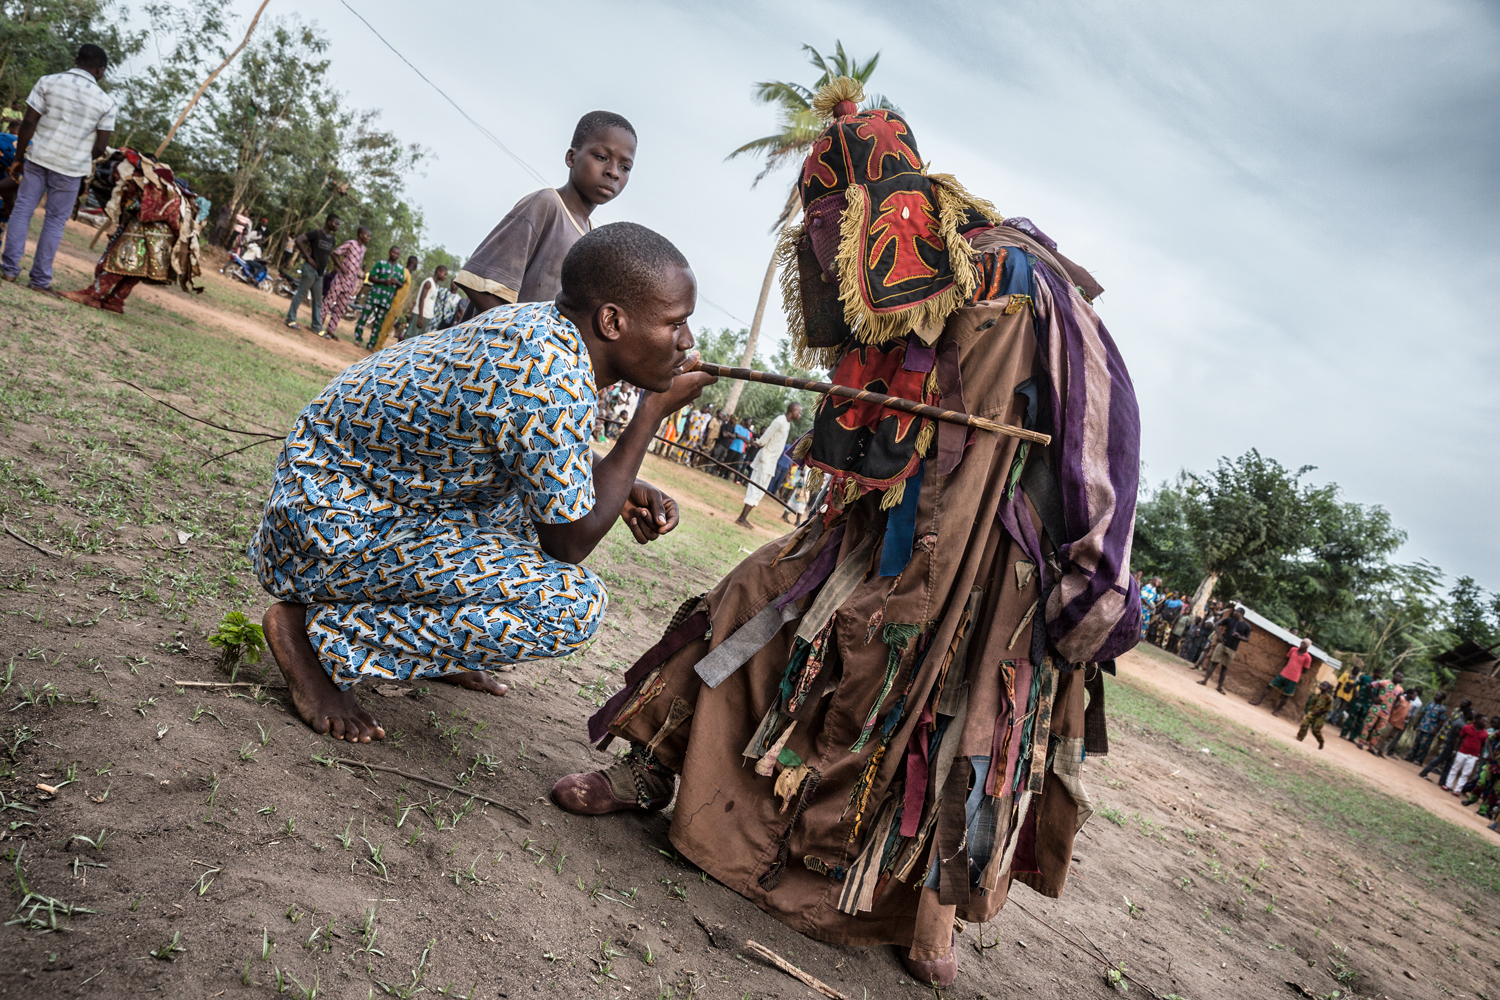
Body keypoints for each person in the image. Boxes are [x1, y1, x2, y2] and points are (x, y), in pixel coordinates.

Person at [550, 77, 1141, 988]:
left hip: (986, 546)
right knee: (750, 598)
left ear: (885, 206)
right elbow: (881, 405)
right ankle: (651, 773)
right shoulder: (911, 262)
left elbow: (1031, 452)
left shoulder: (1005, 275)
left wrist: (977, 579)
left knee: (952, 697)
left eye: (837, 218)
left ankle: (927, 919)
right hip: (886, 509)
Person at [252, 221, 713, 743]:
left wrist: (612, 478)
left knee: (531, 503)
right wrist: (648, 416)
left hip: (337, 503)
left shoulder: (546, 331)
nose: (687, 342)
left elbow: (530, 444)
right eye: (676, 323)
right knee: (570, 603)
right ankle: (316, 640)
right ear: (611, 321)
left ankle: (428, 649)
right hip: (323, 529)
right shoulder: (547, 374)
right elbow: (568, 542)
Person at [454, 111, 635, 316]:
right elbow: (481, 285)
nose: (613, 172)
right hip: (498, 345)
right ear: (571, 157)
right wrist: (521, 341)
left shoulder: (592, 238)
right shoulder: (547, 205)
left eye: (625, 167)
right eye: (602, 157)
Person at [1, 45, 116, 293]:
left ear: (76, 60)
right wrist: (81, 160)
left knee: (22, 210)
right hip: (70, 169)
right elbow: (101, 146)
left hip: (38, 158)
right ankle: (40, 281)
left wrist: (18, 158)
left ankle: (8, 270)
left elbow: (29, 121)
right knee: (54, 221)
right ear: (100, 70)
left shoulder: (48, 82)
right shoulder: (106, 102)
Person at [58, 149, 202, 313]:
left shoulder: (145, 180)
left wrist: (125, 210)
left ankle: (92, 295)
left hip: (143, 230)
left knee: (119, 264)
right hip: (167, 238)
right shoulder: (174, 189)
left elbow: (135, 205)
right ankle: (115, 300)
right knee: (138, 270)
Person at [735, 402, 801, 527]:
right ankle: (741, 518)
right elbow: (765, 438)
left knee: (760, 491)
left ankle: (743, 517)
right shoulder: (779, 421)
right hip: (765, 460)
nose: (800, 415)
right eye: (799, 411)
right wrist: (757, 442)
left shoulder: (787, 424)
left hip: (771, 462)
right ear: (792, 410)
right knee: (755, 489)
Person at [285, 213, 340, 333]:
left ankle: (317, 327)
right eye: (336, 224)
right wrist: (308, 258)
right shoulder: (316, 233)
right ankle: (290, 319)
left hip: (320, 273)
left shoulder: (332, 239)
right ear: (329, 222)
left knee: (317, 300)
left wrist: (325, 267)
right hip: (309, 269)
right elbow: (299, 240)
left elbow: (325, 254)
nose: (337, 226)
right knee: (301, 294)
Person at [322, 226, 371, 337]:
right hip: (340, 280)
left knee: (340, 308)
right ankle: (318, 325)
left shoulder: (363, 249)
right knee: (328, 302)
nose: (369, 238)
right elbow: (335, 254)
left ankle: (330, 331)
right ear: (360, 235)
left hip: (350, 283)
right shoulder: (350, 244)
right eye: (367, 236)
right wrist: (341, 268)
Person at [353, 244, 405, 347]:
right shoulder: (381, 263)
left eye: (397, 254)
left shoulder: (400, 269)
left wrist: (396, 282)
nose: (395, 255)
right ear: (389, 252)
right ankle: (358, 338)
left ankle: (371, 344)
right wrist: (383, 281)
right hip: (375, 294)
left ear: (399, 255)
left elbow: (401, 284)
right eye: (393, 252)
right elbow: (371, 277)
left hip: (387, 299)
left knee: (379, 322)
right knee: (364, 316)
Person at [1252, 639, 1312, 716]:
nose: (1302, 644)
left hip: (1293, 678)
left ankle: (1276, 711)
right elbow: (1287, 659)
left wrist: (1296, 671)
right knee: (1270, 686)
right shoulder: (1293, 649)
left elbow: (1305, 670)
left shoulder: (1308, 657)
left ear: (1307, 646)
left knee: (1286, 696)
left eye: (1304, 644)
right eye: (1302, 642)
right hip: (1284, 674)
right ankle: (1258, 701)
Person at [1199, 607, 1250, 693]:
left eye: (1236, 612)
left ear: (1241, 614)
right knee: (1214, 662)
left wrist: (1240, 637)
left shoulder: (1246, 626)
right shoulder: (1230, 620)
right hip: (1223, 644)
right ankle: (1205, 680)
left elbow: (1247, 639)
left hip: (1232, 649)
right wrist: (1218, 635)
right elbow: (1217, 624)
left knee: (1224, 667)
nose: (1234, 613)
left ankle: (1219, 687)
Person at [1421, 700, 1473, 780]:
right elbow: (1456, 737)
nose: (1473, 716)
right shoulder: (1461, 724)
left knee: (1448, 764)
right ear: (1468, 714)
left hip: (1450, 744)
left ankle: (1442, 781)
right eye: (1472, 714)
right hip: (1451, 745)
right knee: (1439, 759)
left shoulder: (1460, 722)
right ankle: (1424, 772)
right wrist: (1454, 749)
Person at [1356, 670, 1403, 749]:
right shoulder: (1385, 682)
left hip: (1387, 712)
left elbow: (1398, 699)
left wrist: (1392, 706)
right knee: (1368, 725)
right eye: (1397, 676)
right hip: (1377, 708)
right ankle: (1361, 742)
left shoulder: (1400, 689)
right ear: (1394, 675)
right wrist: (1373, 698)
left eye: (1400, 677)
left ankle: (1371, 746)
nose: (1398, 678)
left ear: (1402, 679)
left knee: (1379, 730)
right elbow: (1369, 685)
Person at [1444, 716, 1489, 794]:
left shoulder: (1485, 733)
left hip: (1473, 756)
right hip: (1462, 752)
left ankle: (1457, 790)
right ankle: (1448, 785)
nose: (1485, 723)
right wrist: (1455, 750)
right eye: (1483, 721)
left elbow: (1483, 746)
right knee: (1455, 768)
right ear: (1477, 720)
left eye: (1486, 722)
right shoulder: (1467, 727)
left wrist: (1480, 757)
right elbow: (1459, 738)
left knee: (1466, 773)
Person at [1406, 691, 1449, 763]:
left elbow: (1441, 721)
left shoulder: (1442, 708)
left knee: (1424, 745)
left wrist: (1436, 731)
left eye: (1438, 696)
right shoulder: (1429, 704)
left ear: (1442, 698)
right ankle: (1410, 757)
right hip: (1422, 726)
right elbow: (1422, 714)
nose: (1436, 696)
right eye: (1436, 695)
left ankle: (1419, 759)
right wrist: (1417, 723)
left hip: (1430, 729)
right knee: (1416, 742)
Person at [1372, 688, 1415, 758]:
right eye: (1414, 695)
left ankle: (1381, 751)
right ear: (1409, 694)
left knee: (1390, 738)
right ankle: (1375, 748)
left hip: (1399, 724)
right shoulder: (1401, 699)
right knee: (1383, 735)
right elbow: (1393, 707)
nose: (1415, 697)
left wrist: (1406, 717)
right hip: (1392, 720)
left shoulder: (1409, 704)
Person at [408, 264, 448, 337]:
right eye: (444, 274)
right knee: (409, 337)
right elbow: (422, 299)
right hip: (420, 315)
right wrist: (420, 317)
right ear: (438, 272)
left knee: (416, 340)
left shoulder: (436, 286)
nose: (445, 277)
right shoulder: (429, 283)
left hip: (426, 316)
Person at [1296, 681, 1336, 749]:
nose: (1321, 686)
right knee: (1305, 722)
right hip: (1313, 713)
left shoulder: (1328, 697)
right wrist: (1310, 711)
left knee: (1315, 730)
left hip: (1321, 716)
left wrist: (1321, 711)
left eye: (1324, 685)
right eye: (1321, 684)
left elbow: (1329, 708)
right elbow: (1313, 705)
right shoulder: (1317, 695)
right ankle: (1300, 737)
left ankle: (1321, 741)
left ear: (1327, 688)